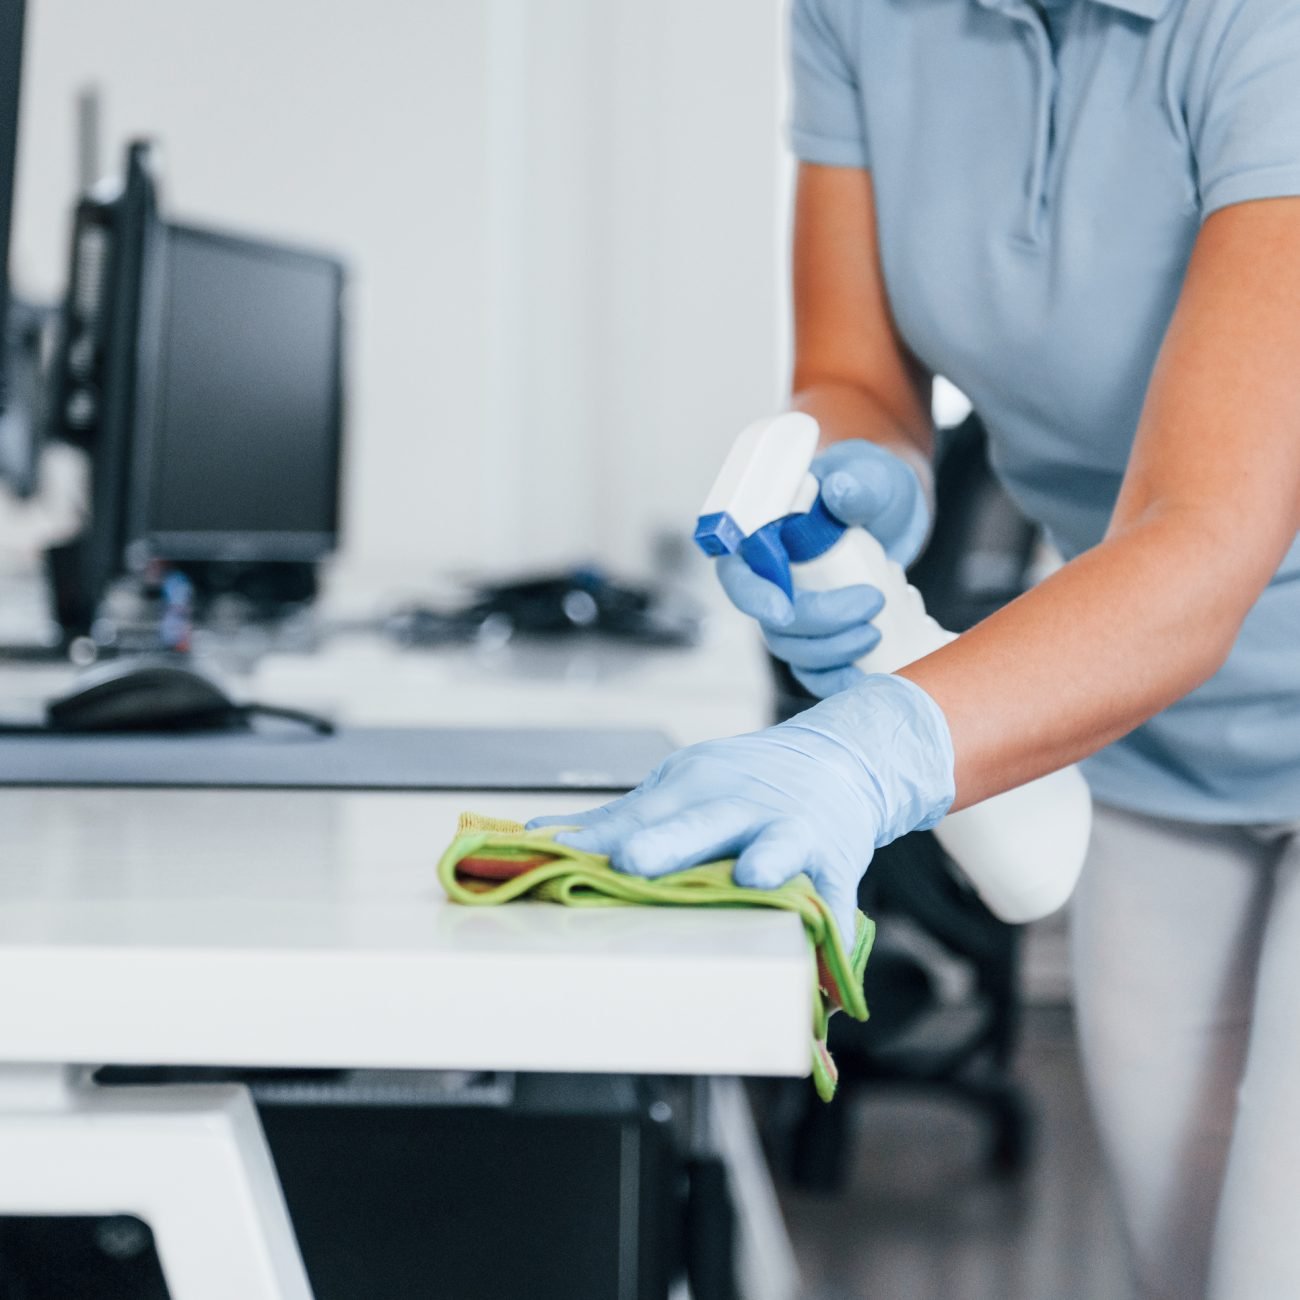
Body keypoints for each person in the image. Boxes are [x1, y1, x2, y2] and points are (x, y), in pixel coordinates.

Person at [533, 0, 1300, 1294]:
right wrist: (846, 483)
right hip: (1148, 729)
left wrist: (879, 748)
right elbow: (857, 369)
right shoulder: (859, 14)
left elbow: (1207, 530)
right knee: (1188, 1265)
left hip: (1185, 615)